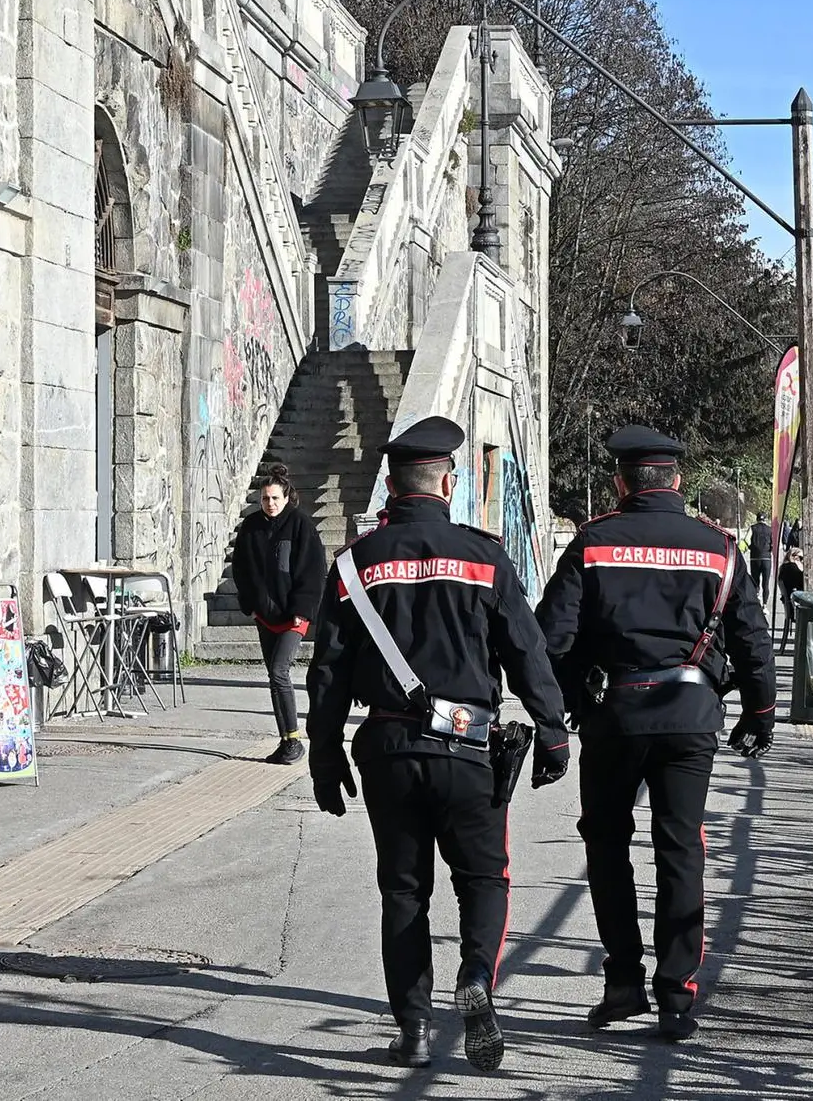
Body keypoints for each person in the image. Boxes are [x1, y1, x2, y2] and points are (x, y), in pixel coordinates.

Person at [306, 416, 570, 1072]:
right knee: (485, 878)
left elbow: (329, 671)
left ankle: (415, 1032)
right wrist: (554, 733)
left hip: (389, 748)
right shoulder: (485, 558)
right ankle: (477, 975)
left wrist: (323, 753)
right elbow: (528, 653)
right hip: (470, 749)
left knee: (404, 891)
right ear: (448, 482)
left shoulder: (354, 564)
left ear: (390, 488)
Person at [536, 425, 777, 1043]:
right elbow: (750, 636)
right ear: (678, 481)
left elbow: (550, 639)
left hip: (614, 716)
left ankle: (622, 983)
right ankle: (677, 997)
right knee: (681, 852)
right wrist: (759, 711)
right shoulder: (719, 548)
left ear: (620, 482)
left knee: (607, 846)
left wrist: (566, 703)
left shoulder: (592, 545)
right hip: (690, 717)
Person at [231, 464, 327, 765]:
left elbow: (314, 571)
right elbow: (241, 569)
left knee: (279, 671)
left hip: (293, 616)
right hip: (265, 615)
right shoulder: (251, 528)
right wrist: (251, 604)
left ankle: (294, 741)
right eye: (264, 499)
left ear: (287, 498)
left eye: (274, 498)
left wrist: (302, 609)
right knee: (274, 677)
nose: (270, 504)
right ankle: (286, 740)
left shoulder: (300, 526)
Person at [778, 547, 805, 649]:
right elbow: (801, 583)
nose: (802, 561)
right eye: (801, 558)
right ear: (794, 557)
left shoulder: (784, 567)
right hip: (796, 607)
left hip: (790, 605)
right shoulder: (791, 568)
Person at [748, 512, 774, 602]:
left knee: (755, 582)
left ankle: (756, 601)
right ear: (765, 519)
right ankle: (765, 605)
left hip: (755, 558)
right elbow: (773, 544)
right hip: (766, 559)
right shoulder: (770, 530)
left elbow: (746, 541)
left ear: (757, 519)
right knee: (765, 584)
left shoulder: (752, 528)